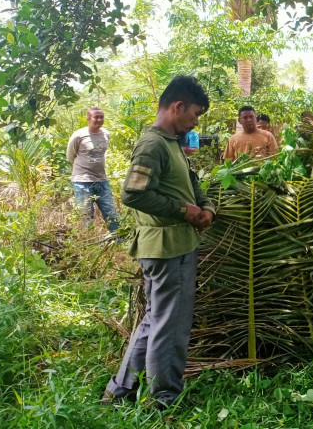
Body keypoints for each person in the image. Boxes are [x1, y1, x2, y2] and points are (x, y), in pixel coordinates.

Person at [103, 76, 216, 408]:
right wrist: (185, 211)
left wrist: (205, 208)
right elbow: (133, 194)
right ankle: (162, 399)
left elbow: (189, 187)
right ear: (178, 107)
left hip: (174, 245)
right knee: (171, 326)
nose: (196, 122)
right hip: (168, 249)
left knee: (156, 320)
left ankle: (120, 390)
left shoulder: (170, 143)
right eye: (194, 114)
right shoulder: (153, 143)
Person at [66, 107, 120, 236]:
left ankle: (119, 241)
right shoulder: (79, 135)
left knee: (111, 213)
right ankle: (89, 242)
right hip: (82, 181)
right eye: (96, 117)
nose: (99, 120)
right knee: (86, 216)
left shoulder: (106, 134)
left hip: (101, 180)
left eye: (101, 117)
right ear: (88, 118)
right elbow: (70, 156)